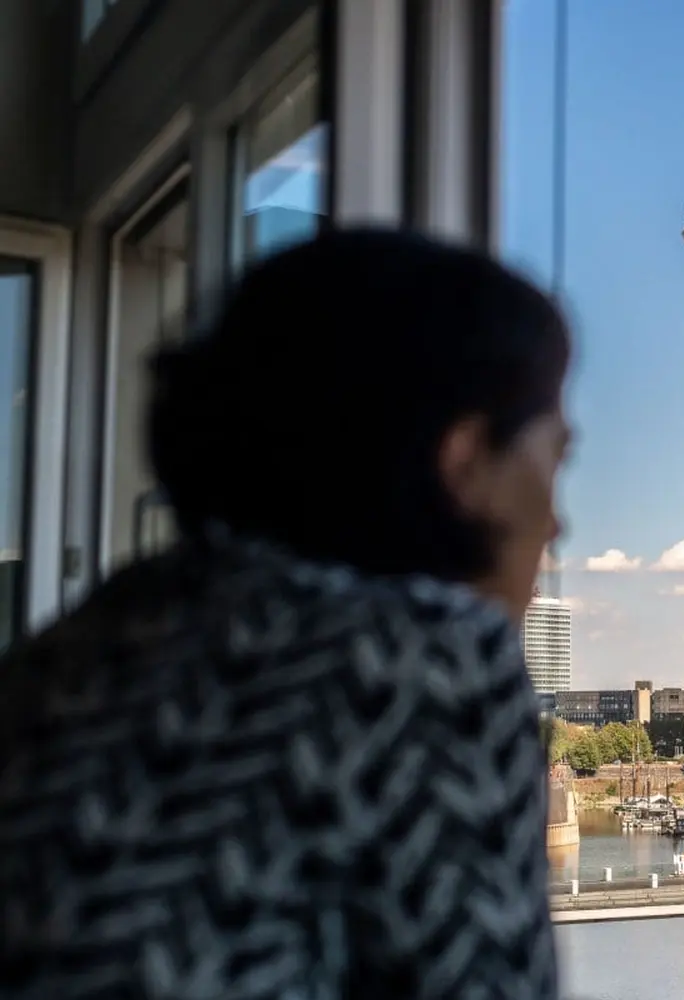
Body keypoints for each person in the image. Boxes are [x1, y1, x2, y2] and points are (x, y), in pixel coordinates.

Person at [0, 229, 572, 998]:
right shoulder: (421, 661)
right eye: (554, 459)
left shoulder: (97, 636)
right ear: (465, 460)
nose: (557, 523)